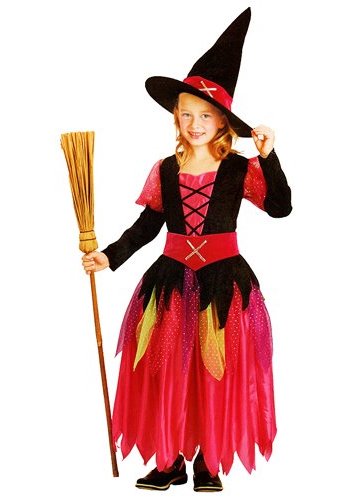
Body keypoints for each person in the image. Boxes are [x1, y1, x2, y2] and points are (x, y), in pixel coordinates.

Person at [82, 8, 292, 492]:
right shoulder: (165, 169)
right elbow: (148, 224)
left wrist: (268, 156)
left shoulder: (239, 168)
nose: (194, 123)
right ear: (176, 116)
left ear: (223, 121)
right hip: (171, 283)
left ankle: (209, 461)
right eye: (186, 113)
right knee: (167, 373)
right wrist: (109, 256)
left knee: (215, 371)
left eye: (205, 114)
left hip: (223, 284)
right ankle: (170, 459)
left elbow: (281, 208)